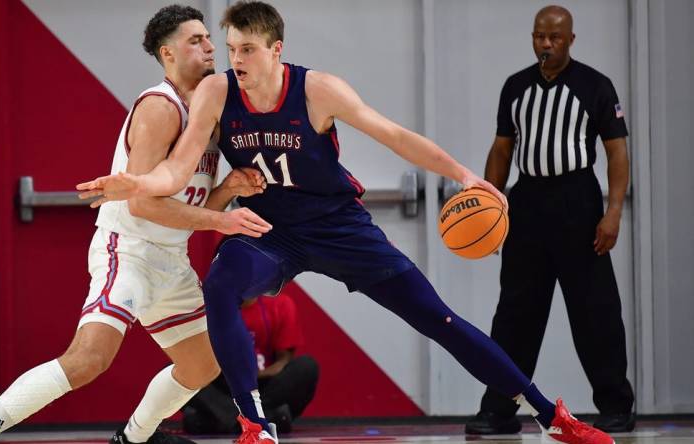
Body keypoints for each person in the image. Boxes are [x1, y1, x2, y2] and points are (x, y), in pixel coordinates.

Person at [77, 3, 617, 444]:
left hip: (337, 226)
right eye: (231, 47)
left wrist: (463, 175)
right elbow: (176, 166)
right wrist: (135, 185)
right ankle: (254, 425)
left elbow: (395, 136)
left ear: (275, 49)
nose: (234, 58)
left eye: (246, 49)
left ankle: (550, 415)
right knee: (219, 285)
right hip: (270, 229)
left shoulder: (317, 90)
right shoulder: (218, 93)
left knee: (438, 319)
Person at [0, 6, 271, 444]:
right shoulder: (160, 107)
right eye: (196, 40)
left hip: (170, 258)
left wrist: (227, 188)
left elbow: (183, 206)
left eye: (208, 38)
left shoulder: (206, 115)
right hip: (129, 249)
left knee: (203, 363)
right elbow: (143, 207)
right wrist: (222, 219)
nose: (210, 47)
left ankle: (133, 438)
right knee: (88, 360)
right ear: (168, 53)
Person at [465, 5, 635, 435]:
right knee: (515, 313)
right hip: (528, 202)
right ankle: (499, 409)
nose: (545, 43)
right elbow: (502, 150)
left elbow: (617, 152)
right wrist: (491, 204)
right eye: (539, 36)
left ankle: (616, 404)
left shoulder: (595, 86)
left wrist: (613, 211)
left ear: (570, 40)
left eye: (554, 37)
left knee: (595, 310)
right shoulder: (516, 87)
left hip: (577, 201)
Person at [182, 293, 318, 435]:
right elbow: (199, 361)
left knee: (306, 367)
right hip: (225, 385)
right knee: (174, 373)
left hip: (264, 386)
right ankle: (263, 420)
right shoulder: (208, 308)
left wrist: (255, 375)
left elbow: (284, 360)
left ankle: (229, 420)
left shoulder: (280, 303)